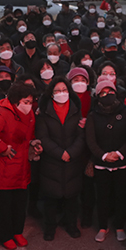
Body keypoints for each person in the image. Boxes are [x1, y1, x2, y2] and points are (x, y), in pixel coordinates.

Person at [0, 81, 37, 250]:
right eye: (25, 102)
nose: (29, 105)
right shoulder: (2, 113)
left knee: (20, 204)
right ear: (15, 100)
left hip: (22, 167)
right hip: (3, 168)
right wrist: (2, 147)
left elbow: (29, 136)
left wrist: (34, 144)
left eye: (30, 102)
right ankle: (4, 235)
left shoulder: (31, 114)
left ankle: (17, 231)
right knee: (3, 206)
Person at [36, 77, 86, 240]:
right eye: (57, 91)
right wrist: (59, 153)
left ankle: (71, 225)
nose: (61, 93)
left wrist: (71, 152)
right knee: (50, 198)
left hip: (72, 160)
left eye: (64, 90)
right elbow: (43, 137)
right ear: (51, 94)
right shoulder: (44, 112)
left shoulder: (75, 109)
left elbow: (81, 136)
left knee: (72, 197)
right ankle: (50, 227)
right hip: (52, 161)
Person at [85, 77, 126, 243]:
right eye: (103, 92)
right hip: (101, 164)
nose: (107, 94)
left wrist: (120, 154)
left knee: (121, 195)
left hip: (122, 162)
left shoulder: (125, 113)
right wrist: (104, 155)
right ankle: (102, 226)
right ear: (97, 95)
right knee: (103, 196)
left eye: (110, 91)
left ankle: (120, 226)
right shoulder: (93, 116)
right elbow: (91, 140)